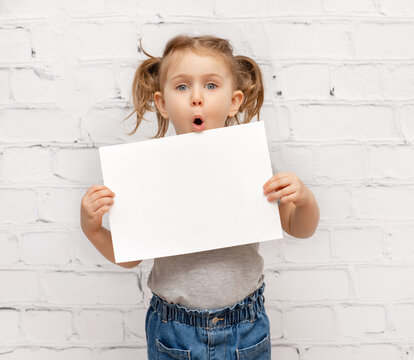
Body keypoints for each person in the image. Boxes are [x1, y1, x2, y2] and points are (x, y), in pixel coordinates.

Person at [80, 34, 320, 360]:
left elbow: (298, 227)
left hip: (244, 325)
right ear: (162, 104)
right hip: (173, 328)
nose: (196, 98)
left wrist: (304, 199)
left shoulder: (252, 164)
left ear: (234, 101)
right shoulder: (147, 174)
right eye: (182, 87)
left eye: (210, 85)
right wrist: (93, 228)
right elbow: (130, 257)